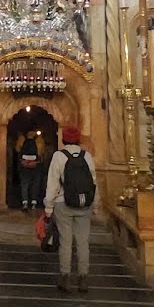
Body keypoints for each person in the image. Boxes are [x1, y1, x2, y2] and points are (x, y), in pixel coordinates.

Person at [44, 126, 96, 294]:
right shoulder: (86, 156)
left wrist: (48, 207)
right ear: (79, 139)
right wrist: (94, 204)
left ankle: (65, 277)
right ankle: (83, 279)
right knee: (83, 242)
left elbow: (52, 184)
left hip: (63, 203)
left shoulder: (58, 156)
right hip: (84, 204)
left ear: (63, 139)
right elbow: (93, 182)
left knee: (65, 242)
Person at [14, 129, 45, 211]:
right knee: (35, 183)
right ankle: (34, 203)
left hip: (24, 165)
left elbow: (17, 150)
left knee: (24, 184)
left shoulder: (21, 140)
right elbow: (42, 153)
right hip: (36, 165)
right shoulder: (40, 141)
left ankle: (25, 203)